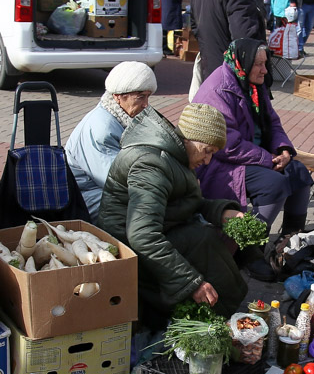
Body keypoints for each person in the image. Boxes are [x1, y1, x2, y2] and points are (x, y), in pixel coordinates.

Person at [97, 103, 247, 329]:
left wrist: (222, 212)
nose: (207, 160)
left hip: (153, 232)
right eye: (207, 150)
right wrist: (191, 283)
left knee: (204, 239)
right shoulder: (152, 165)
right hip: (127, 248)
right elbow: (143, 236)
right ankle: (215, 319)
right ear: (189, 139)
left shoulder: (175, 156)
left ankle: (223, 315)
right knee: (202, 243)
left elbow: (183, 201)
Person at [193, 38, 314, 246]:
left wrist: (283, 149)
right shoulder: (218, 90)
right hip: (218, 162)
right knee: (273, 184)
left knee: (299, 173)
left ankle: (291, 242)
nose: (264, 70)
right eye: (258, 64)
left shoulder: (253, 85)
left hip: (253, 155)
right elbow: (226, 145)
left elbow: (272, 122)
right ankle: (251, 247)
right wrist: (268, 159)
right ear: (243, 62)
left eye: (265, 63)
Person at [65, 62, 158, 220]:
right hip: (84, 198)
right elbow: (116, 181)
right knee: (147, 207)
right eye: (141, 97)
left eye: (148, 97)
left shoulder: (120, 118)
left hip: (98, 191)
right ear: (118, 96)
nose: (146, 104)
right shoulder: (103, 129)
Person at [188, 0, 265, 99]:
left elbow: (195, 26)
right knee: (232, 112)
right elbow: (244, 38)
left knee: (214, 108)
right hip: (233, 74)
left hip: (210, 65)